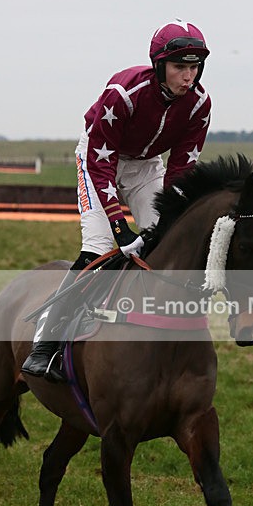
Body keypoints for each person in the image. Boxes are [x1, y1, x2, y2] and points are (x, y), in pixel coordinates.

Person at [22, 19, 212, 383]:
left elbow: (180, 170)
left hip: (146, 167)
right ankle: (45, 343)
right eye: (179, 67)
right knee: (98, 246)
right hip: (98, 159)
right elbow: (101, 162)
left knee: (165, 238)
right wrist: (119, 226)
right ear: (159, 65)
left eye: (195, 67)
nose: (188, 77)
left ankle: (156, 325)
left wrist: (170, 217)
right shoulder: (123, 93)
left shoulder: (199, 104)